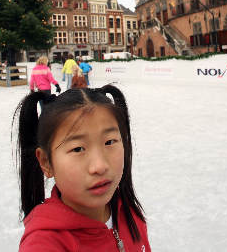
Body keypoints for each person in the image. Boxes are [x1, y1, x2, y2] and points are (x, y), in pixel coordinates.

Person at [15, 86, 150, 251]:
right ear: (46, 162)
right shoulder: (45, 244)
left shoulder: (130, 212)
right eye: (78, 149)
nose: (99, 166)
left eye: (109, 142)